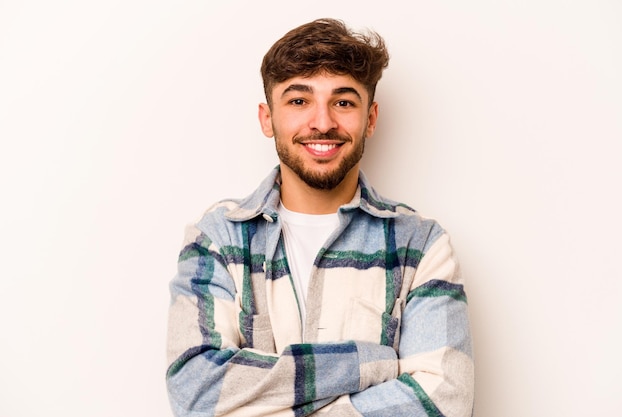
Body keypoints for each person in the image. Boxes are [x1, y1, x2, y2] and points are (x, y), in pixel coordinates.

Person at [166, 18, 474, 417]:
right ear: (267, 118)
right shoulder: (217, 239)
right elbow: (196, 392)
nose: (323, 122)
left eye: (343, 102)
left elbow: (444, 401)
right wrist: (371, 363)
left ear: (371, 118)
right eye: (299, 101)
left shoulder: (421, 245)